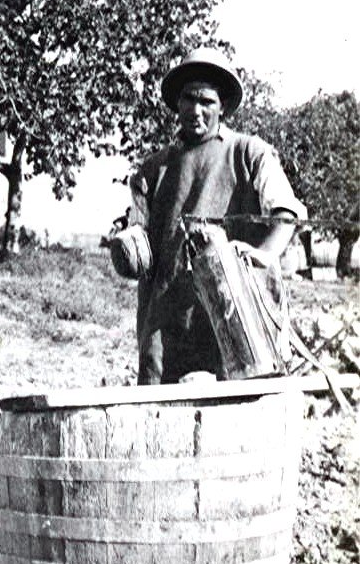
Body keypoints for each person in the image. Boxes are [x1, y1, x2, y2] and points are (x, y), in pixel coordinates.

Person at [126, 47, 305, 385]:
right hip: (167, 319)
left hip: (232, 314)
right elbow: (139, 243)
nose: (196, 110)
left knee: (234, 408)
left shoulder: (250, 153)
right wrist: (130, 250)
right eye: (188, 99)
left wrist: (264, 254)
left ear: (222, 106)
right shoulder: (153, 169)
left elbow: (287, 213)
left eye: (206, 101)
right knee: (161, 412)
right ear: (176, 104)